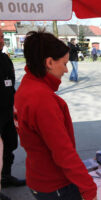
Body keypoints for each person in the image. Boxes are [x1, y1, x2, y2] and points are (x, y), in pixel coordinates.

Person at [13, 31, 97, 200]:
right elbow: (63, 152)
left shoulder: (27, 86)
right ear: (49, 62)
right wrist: (89, 189)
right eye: (64, 63)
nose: (66, 70)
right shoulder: (42, 99)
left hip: (38, 176)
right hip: (55, 184)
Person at [0, 28, 25, 200]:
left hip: (8, 111)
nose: (1, 40)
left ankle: (5, 177)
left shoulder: (4, 58)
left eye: (1, 36)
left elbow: (10, 82)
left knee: (10, 146)